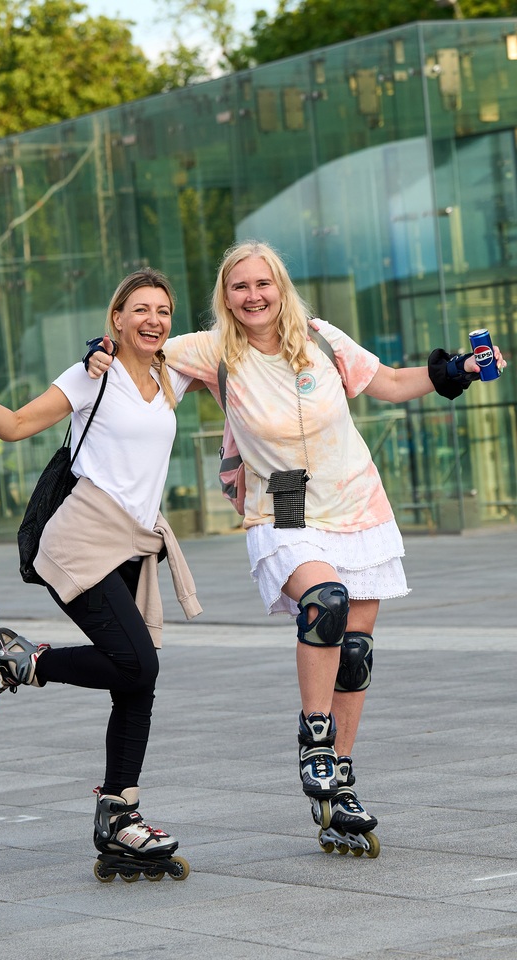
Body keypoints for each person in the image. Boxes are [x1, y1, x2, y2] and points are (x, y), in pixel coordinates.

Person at [86, 240, 507, 858]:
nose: (253, 296)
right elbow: (139, 350)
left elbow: (386, 381)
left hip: (357, 497)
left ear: (279, 286)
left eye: (264, 284)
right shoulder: (208, 350)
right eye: (239, 287)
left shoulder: (321, 339)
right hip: (283, 503)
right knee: (325, 603)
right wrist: (99, 351)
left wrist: (461, 370)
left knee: (357, 652)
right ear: (225, 297)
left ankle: (338, 787)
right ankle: (315, 738)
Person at [0, 268, 202, 882]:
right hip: (84, 537)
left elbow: (237, 347)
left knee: (134, 680)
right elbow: (14, 426)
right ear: (115, 319)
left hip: (135, 545)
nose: (153, 320)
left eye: (163, 310)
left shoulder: (177, 371)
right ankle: (20, 662)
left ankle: (119, 814)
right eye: (139, 309)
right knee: (140, 664)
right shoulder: (93, 374)